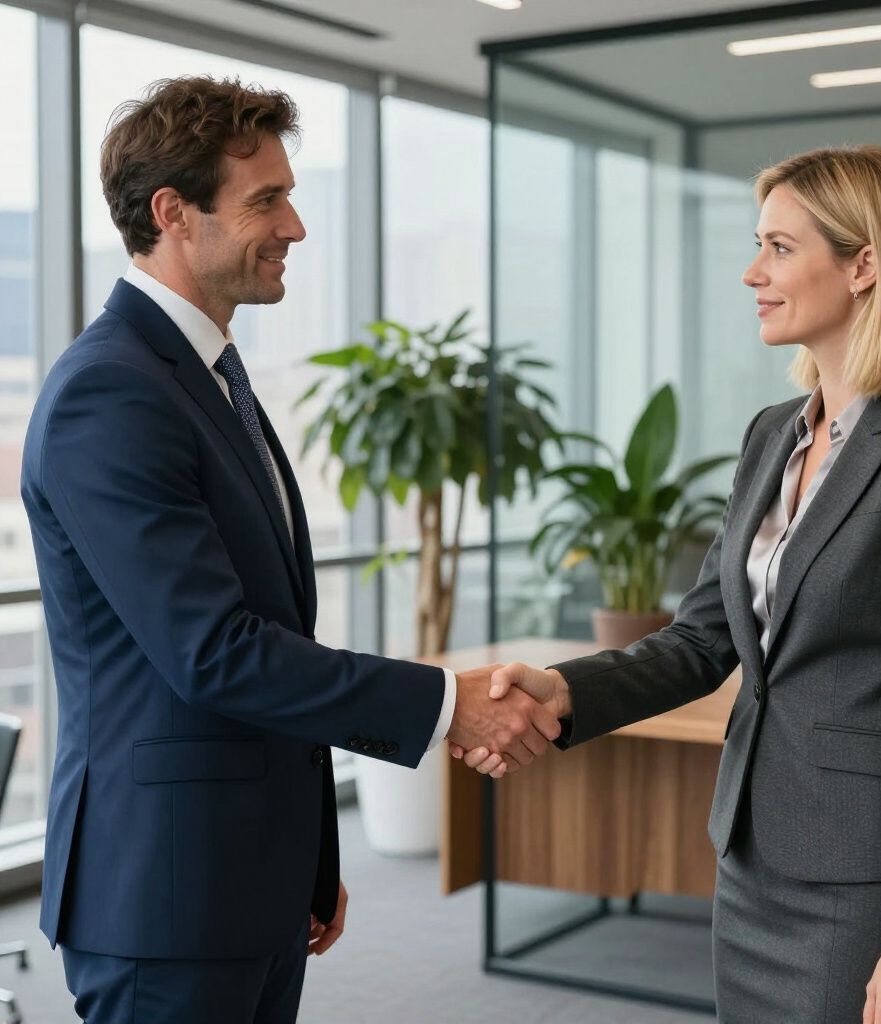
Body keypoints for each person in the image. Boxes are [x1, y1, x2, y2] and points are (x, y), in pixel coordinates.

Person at [21, 75, 559, 1024]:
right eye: (266, 199)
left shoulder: (208, 375)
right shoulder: (111, 393)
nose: (297, 226)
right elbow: (213, 651)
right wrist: (449, 704)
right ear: (172, 213)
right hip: (163, 900)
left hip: (243, 882)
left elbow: (266, 628)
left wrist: (304, 862)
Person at [455, 145, 881, 1024]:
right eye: (759, 244)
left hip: (864, 887)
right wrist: (561, 690)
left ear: (865, 264)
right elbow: (702, 639)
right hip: (750, 861)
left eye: (781, 248)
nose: (754, 271)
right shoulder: (771, 435)